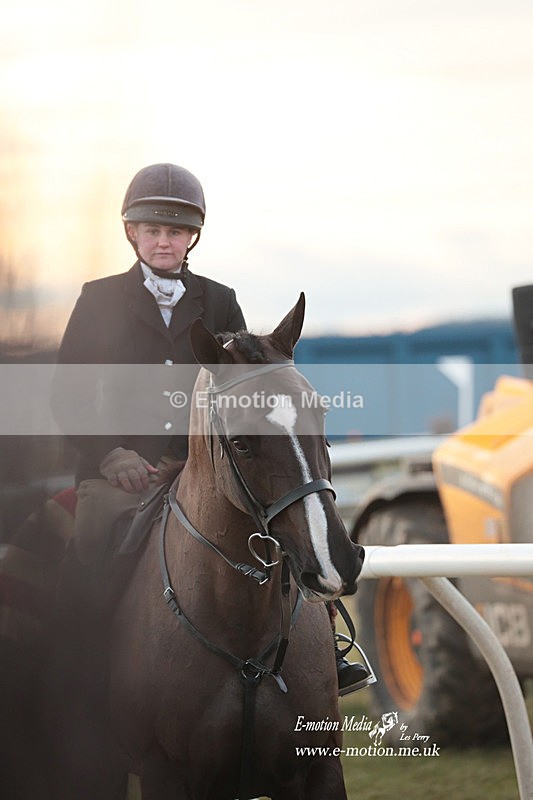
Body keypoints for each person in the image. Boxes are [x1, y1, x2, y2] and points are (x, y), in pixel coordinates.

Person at [54, 161, 368, 695]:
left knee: (276, 522)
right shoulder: (97, 300)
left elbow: (248, 388)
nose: (163, 241)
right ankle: (76, 666)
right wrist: (110, 454)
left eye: (175, 231)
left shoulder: (220, 299)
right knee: (93, 535)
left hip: (206, 467)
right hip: (122, 473)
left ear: (192, 237)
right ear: (131, 233)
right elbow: (68, 394)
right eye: (152, 230)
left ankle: (325, 644)